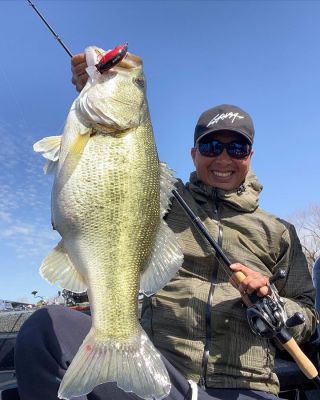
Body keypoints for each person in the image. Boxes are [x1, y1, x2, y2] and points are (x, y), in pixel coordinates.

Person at [15, 51, 317, 400]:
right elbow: (114, 181)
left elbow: (309, 316)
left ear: (249, 155)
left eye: (236, 147)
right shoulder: (166, 201)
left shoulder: (279, 232)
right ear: (193, 154)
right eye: (211, 145)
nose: (223, 158)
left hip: (249, 389)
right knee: (44, 330)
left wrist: (274, 303)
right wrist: (93, 89)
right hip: (164, 377)